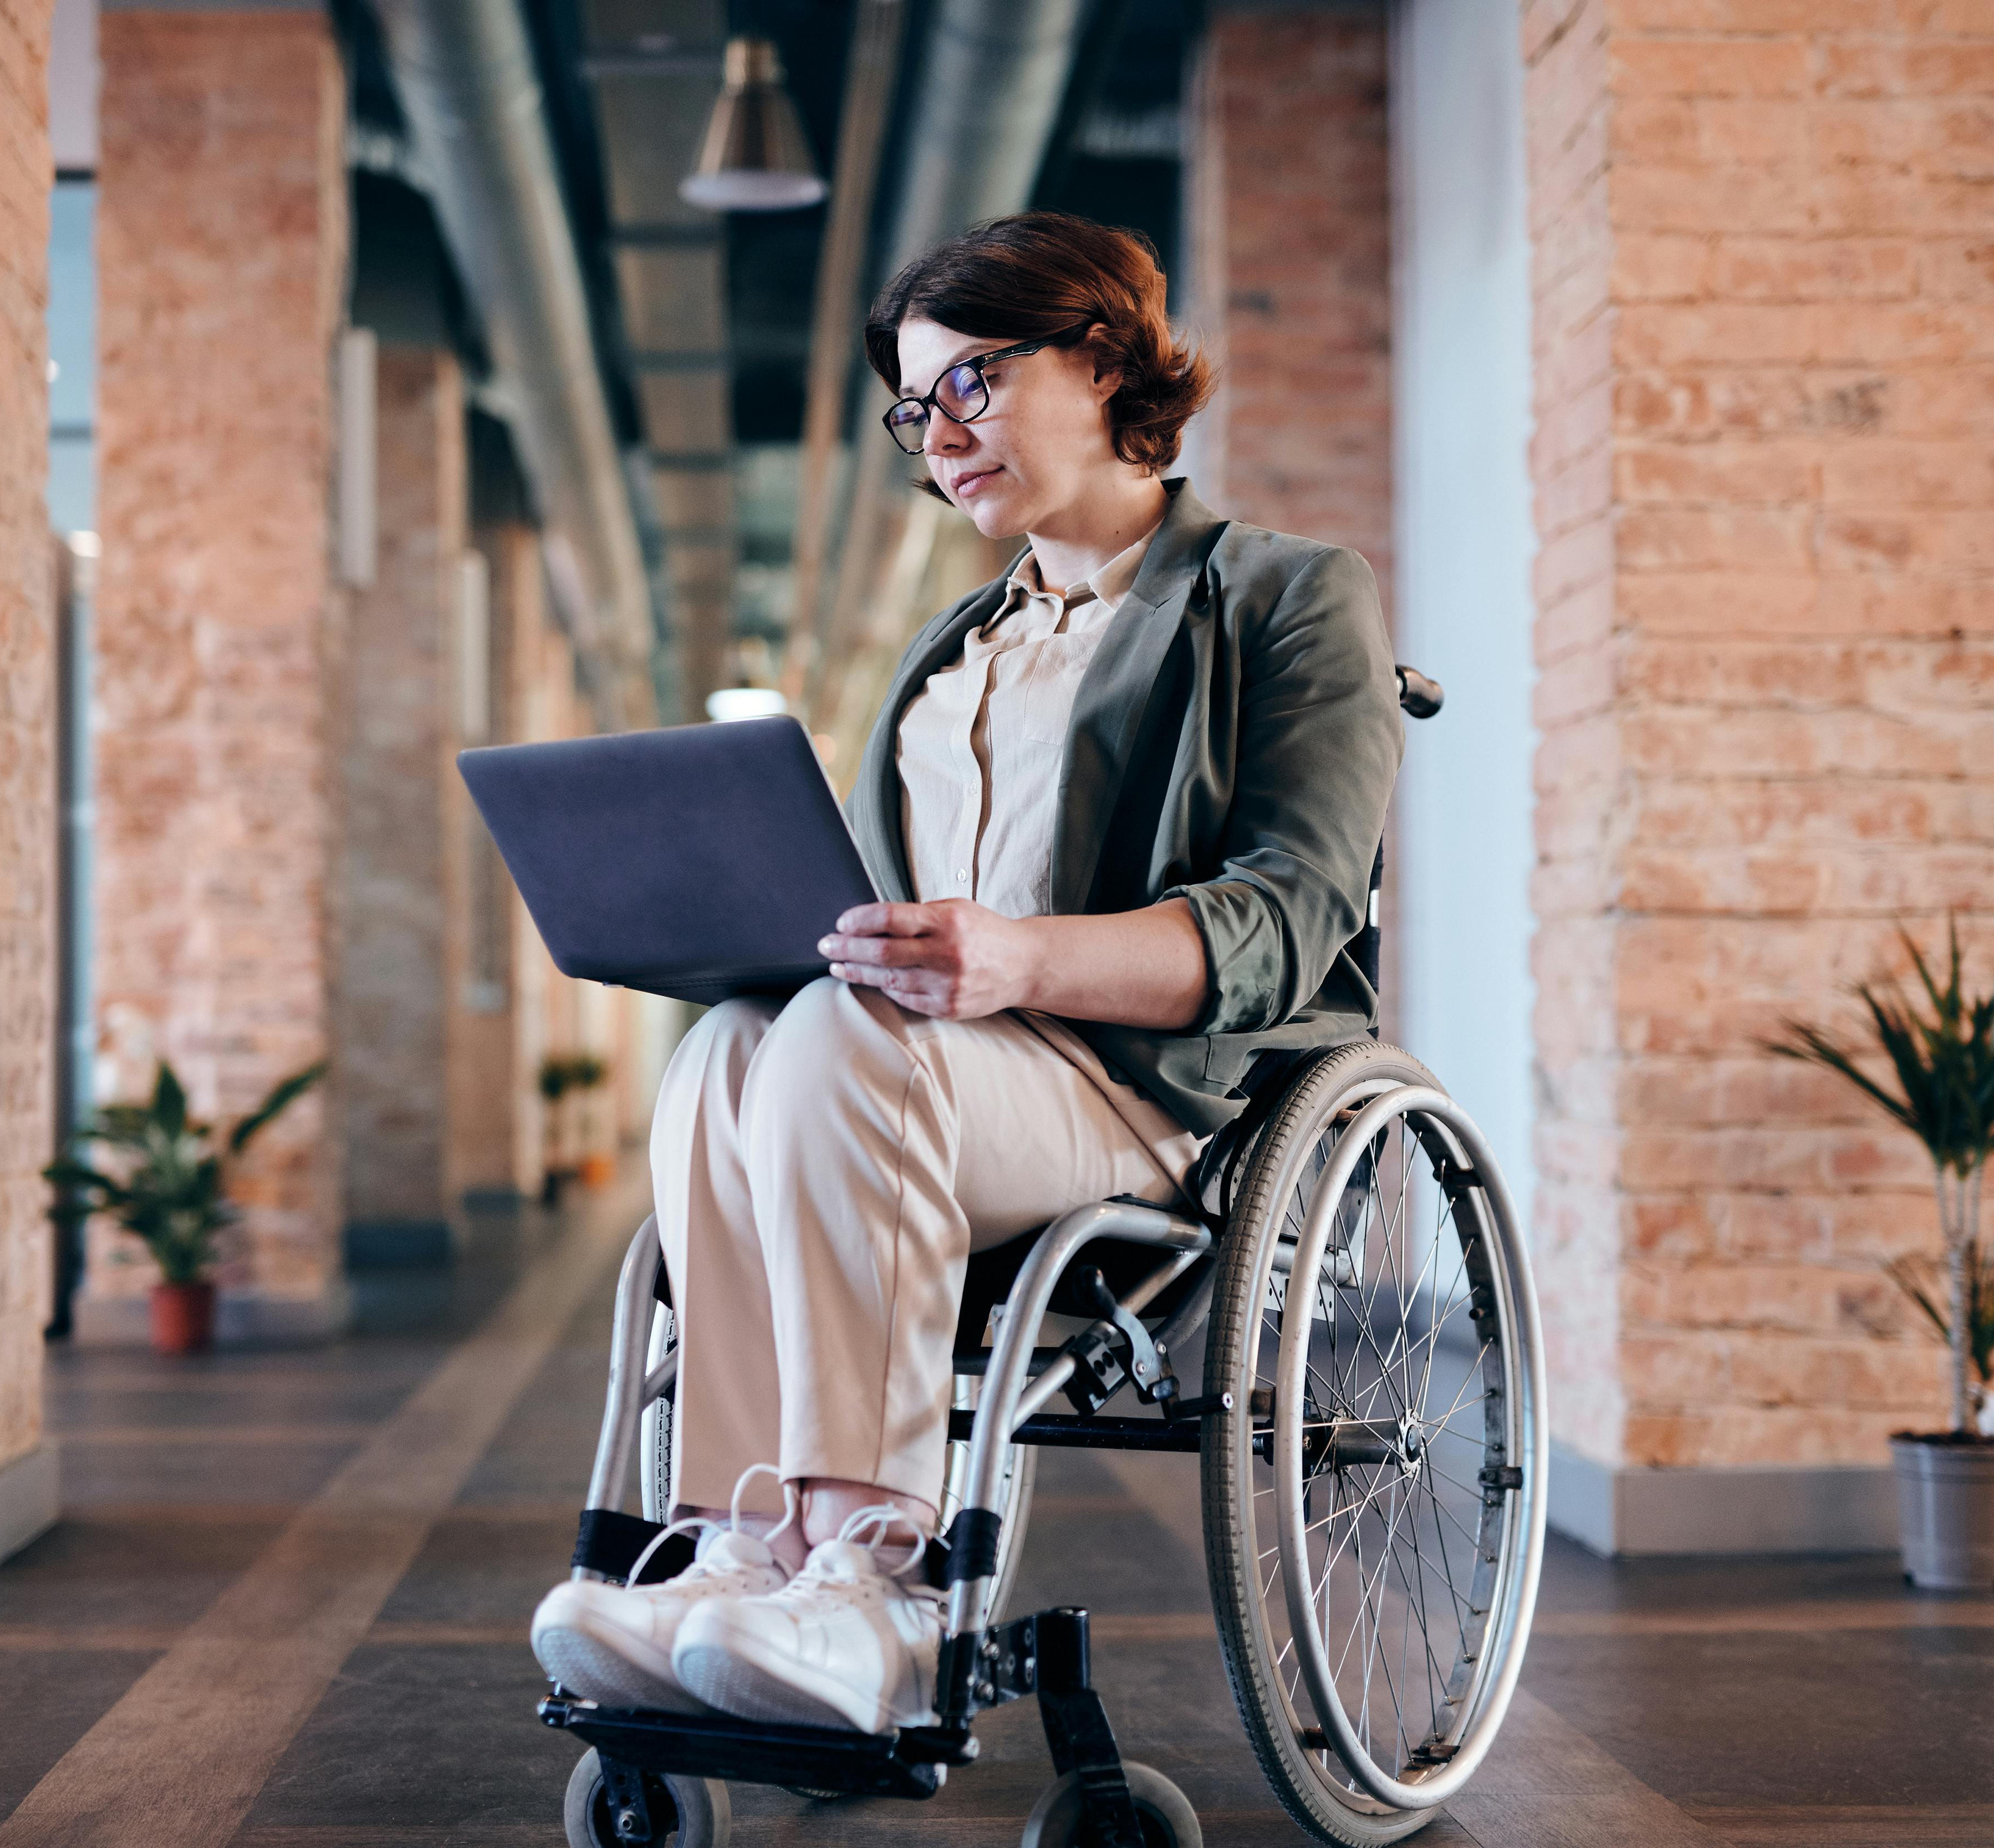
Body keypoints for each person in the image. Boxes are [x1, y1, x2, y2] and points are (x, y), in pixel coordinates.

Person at [531, 212, 1402, 1735]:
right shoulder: (952, 651)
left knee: (842, 1046)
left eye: (972, 384)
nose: (936, 436)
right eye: (912, 408)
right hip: (927, 1082)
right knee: (734, 1045)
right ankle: (746, 1547)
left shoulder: (1279, 598)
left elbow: (1291, 912)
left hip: (1137, 1096)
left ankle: (876, 1577)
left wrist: (1014, 959)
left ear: (1102, 356)